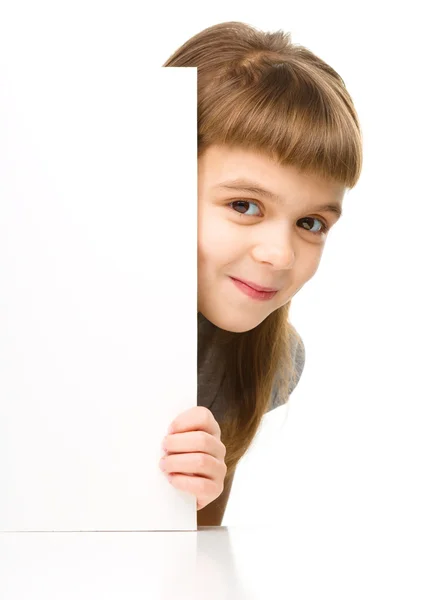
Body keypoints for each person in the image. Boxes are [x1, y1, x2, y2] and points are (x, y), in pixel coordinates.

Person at [158, 21, 363, 526]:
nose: (280, 254)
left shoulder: (269, 360)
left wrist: (189, 502)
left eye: (311, 223)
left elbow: (197, 545)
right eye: (245, 205)